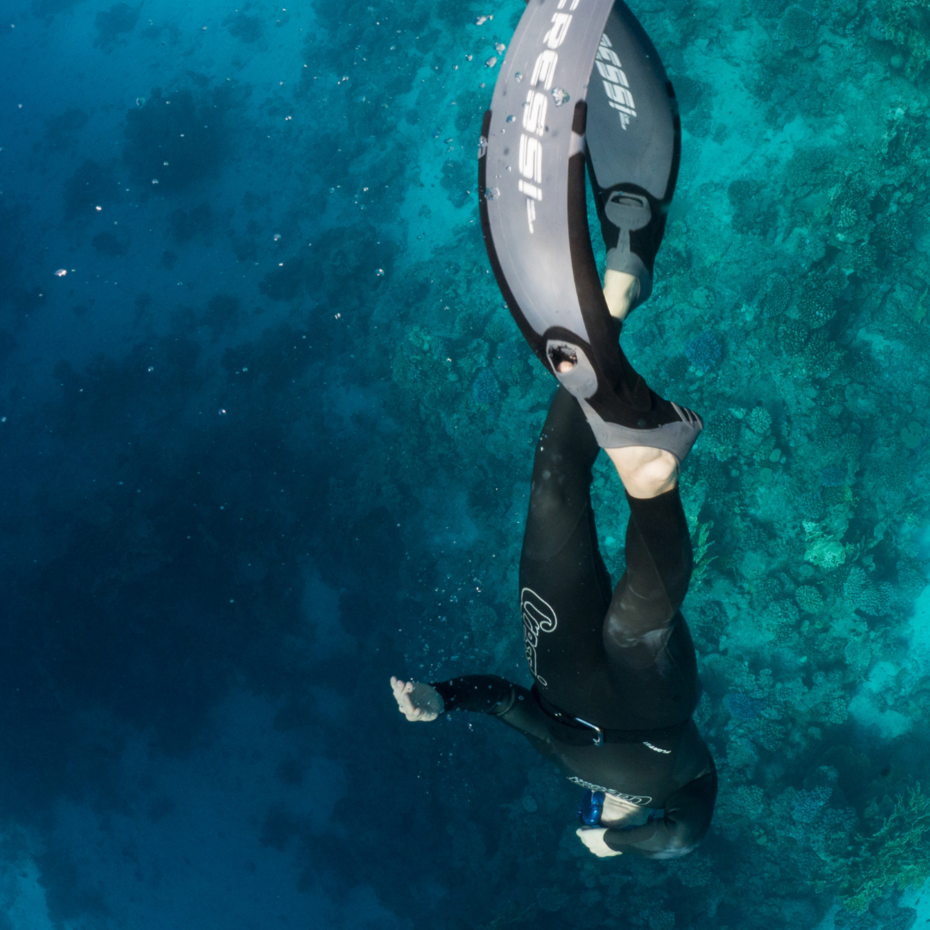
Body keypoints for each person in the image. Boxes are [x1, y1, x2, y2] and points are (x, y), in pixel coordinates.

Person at [390, 0, 717, 859]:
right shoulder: (674, 782)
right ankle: (653, 485)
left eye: (589, 822)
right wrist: (621, 846)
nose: (590, 816)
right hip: (650, 714)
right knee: (634, 628)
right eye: (594, 821)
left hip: (553, 651)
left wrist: (440, 698)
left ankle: (609, 305)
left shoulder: (560, 759)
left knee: (551, 484)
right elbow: (689, 831)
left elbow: (503, 699)